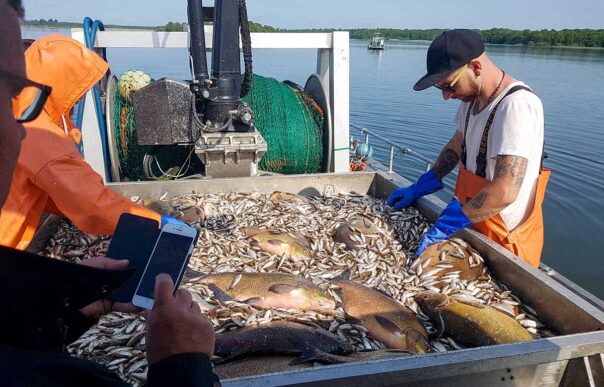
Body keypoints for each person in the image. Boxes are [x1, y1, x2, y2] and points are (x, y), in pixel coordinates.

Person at [0, 1, 219, 385]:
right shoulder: (40, 132)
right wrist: (182, 362)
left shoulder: (43, 122)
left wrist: (67, 309)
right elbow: (93, 206)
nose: (17, 130)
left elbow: (58, 198)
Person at [0, 33, 183, 250]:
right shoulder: (39, 132)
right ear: (60, 81)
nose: (79, 97)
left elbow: (48, 190)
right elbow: (91, 206)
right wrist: (156, 222)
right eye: (78, 88)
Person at [388, 29, 549, 268]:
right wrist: (427, 181)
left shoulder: (516, 106)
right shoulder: (472, 100)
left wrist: (449, 223)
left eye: (449, 86)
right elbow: (457, 144)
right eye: (440, 88)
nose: (445, 96)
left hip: (505, 241)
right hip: (473, 223)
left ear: (475, 67)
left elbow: (505, 190)